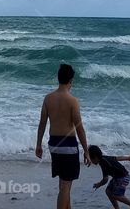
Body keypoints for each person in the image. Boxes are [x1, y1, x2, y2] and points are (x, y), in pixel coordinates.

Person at [36, 63, 90, 209]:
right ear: (70, 81)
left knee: (64, 184)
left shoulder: (48, 98)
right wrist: (86, 150)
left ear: (58, 79)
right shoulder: (73, 101)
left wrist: (38, 145)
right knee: (66, 187)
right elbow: (79, 129)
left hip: (54, 144)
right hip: (69, 146)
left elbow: (42, 123)